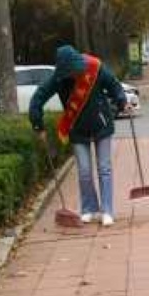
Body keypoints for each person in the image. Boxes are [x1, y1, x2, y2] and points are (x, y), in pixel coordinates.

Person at [29, 43, 129, 225]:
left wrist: (122, 101)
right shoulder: (58, 78)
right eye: (71, 72)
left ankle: (107, 210)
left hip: (101, 124)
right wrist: (38, 125)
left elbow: (114, 85)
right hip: (77, 128)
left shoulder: (94, 67)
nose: (75, 74)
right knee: (84, 171)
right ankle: (89, 208)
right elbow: (38, 98)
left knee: (104, 169)